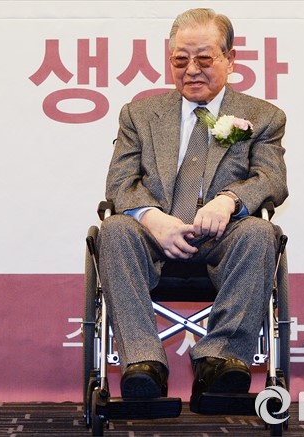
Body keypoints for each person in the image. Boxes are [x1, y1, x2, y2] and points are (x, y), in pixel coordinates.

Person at [98, 8, 288, 411]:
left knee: (260, 232)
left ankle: (220, 361)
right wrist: (153, 219)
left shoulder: (263, 116)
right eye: (180, 60)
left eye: (204, 59)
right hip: (152, 238)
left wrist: (229, 200)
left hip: (223, 237)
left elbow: (271, 179)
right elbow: (119, 183)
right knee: (114, 229)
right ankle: (144, 363)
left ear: (230, 60)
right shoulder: (139, 115)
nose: (192, 70)